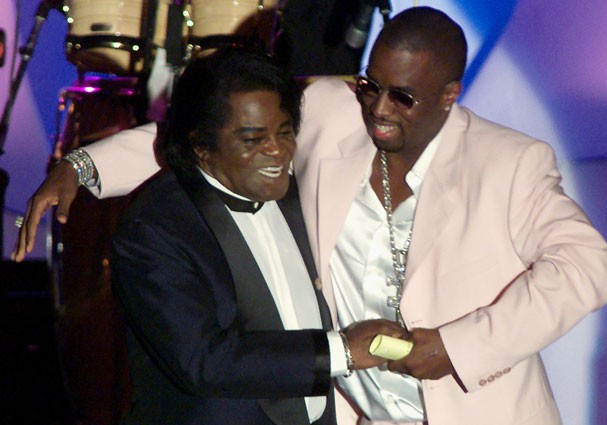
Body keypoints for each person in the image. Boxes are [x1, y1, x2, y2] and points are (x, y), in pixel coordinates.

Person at [12, 7, 607, 425]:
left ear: (450, 95)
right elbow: (221, 130)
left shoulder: (509, 162)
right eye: (371, 85)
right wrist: (83, 167)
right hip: (355, 413)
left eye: (403, 97)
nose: (378, 109)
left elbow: (587, 267)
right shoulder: (334, 109)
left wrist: (457, 346)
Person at [89, 47, 404, 425]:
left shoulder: (301, 190)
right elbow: (203, 361)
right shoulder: (154, 231)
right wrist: (343, 352)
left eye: (285, 132)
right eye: (253, 140)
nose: (278, 151)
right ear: (201, 147)